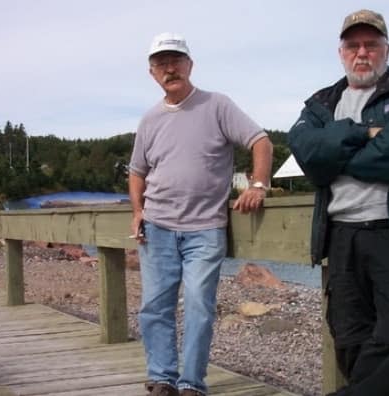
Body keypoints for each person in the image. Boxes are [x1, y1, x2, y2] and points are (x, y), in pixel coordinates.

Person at [288, 10, 389, 396]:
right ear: (341, 52)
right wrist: (364, 133)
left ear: (386, 49)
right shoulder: (321, 103)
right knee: (349, 339)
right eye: (353, 45)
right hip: (342, 238)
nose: (362, 53)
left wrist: (337, 156)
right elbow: (306, 152)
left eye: (371, 45)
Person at [129, 32, 273, 396]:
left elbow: (261, 141)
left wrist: (257, 186)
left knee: (198, 307)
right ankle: (162, 377)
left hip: (205, 228)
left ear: (190, 65)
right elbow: (137, 172)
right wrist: (137, 210)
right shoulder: (149, 120)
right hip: (157, 226)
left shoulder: (217, 105)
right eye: (161, 64)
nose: (169, 68)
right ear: (152, 73)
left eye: (176, 60)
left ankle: (191, 383)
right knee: (154, 307)